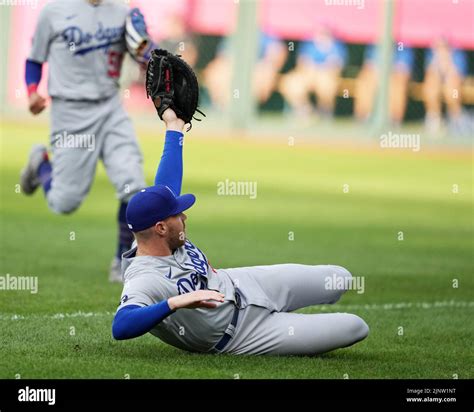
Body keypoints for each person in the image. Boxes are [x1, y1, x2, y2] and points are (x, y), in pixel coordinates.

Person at [111, 107, 369, 355]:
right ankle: (285, 323)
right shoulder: (145, 279)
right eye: (178, 213)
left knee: (340, 277)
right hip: (244, 334)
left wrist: (174, 126)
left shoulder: (162, 232)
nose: (184, 215)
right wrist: (175, 303)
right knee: (355, 326)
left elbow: (167, 183)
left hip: (245, 282)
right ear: (160, 228)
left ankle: (288, 317)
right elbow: (121, 326)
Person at [20, 0, 155, 282]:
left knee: (133, 183)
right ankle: (41, 165)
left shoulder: (121, 13)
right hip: (70, 113)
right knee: (64, 202)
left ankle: (123, 261)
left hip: (110, 108)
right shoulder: (54, 11)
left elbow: (143, 55)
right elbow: (34, 59)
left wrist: (147, 50)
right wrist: (32, 91)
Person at [279, 25, 347, 118]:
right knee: (291, 82)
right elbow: (302, 65)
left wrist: (318, 71)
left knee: (327, 84)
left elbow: (335, 68)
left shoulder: (337, 47)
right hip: (308, 76)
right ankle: (304, 111)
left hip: (325, 77)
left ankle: (324, 113)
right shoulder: (309, 44)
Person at [354, 44, 414, 126]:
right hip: (377, 71)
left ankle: (394, 118)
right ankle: (364, 115)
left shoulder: (402, 46)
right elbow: (369, 63)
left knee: (396, 83)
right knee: (366, 80)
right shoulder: (376, 44)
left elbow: (403, 67)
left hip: (395, 72)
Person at [423, 38, 470, 135]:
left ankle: (456, 117)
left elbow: (456, 76)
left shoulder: (457, 52)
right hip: (436, 67)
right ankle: (434, 119)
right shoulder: (431, 51)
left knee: (453, 90)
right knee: (431, 86)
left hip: (453, 76)